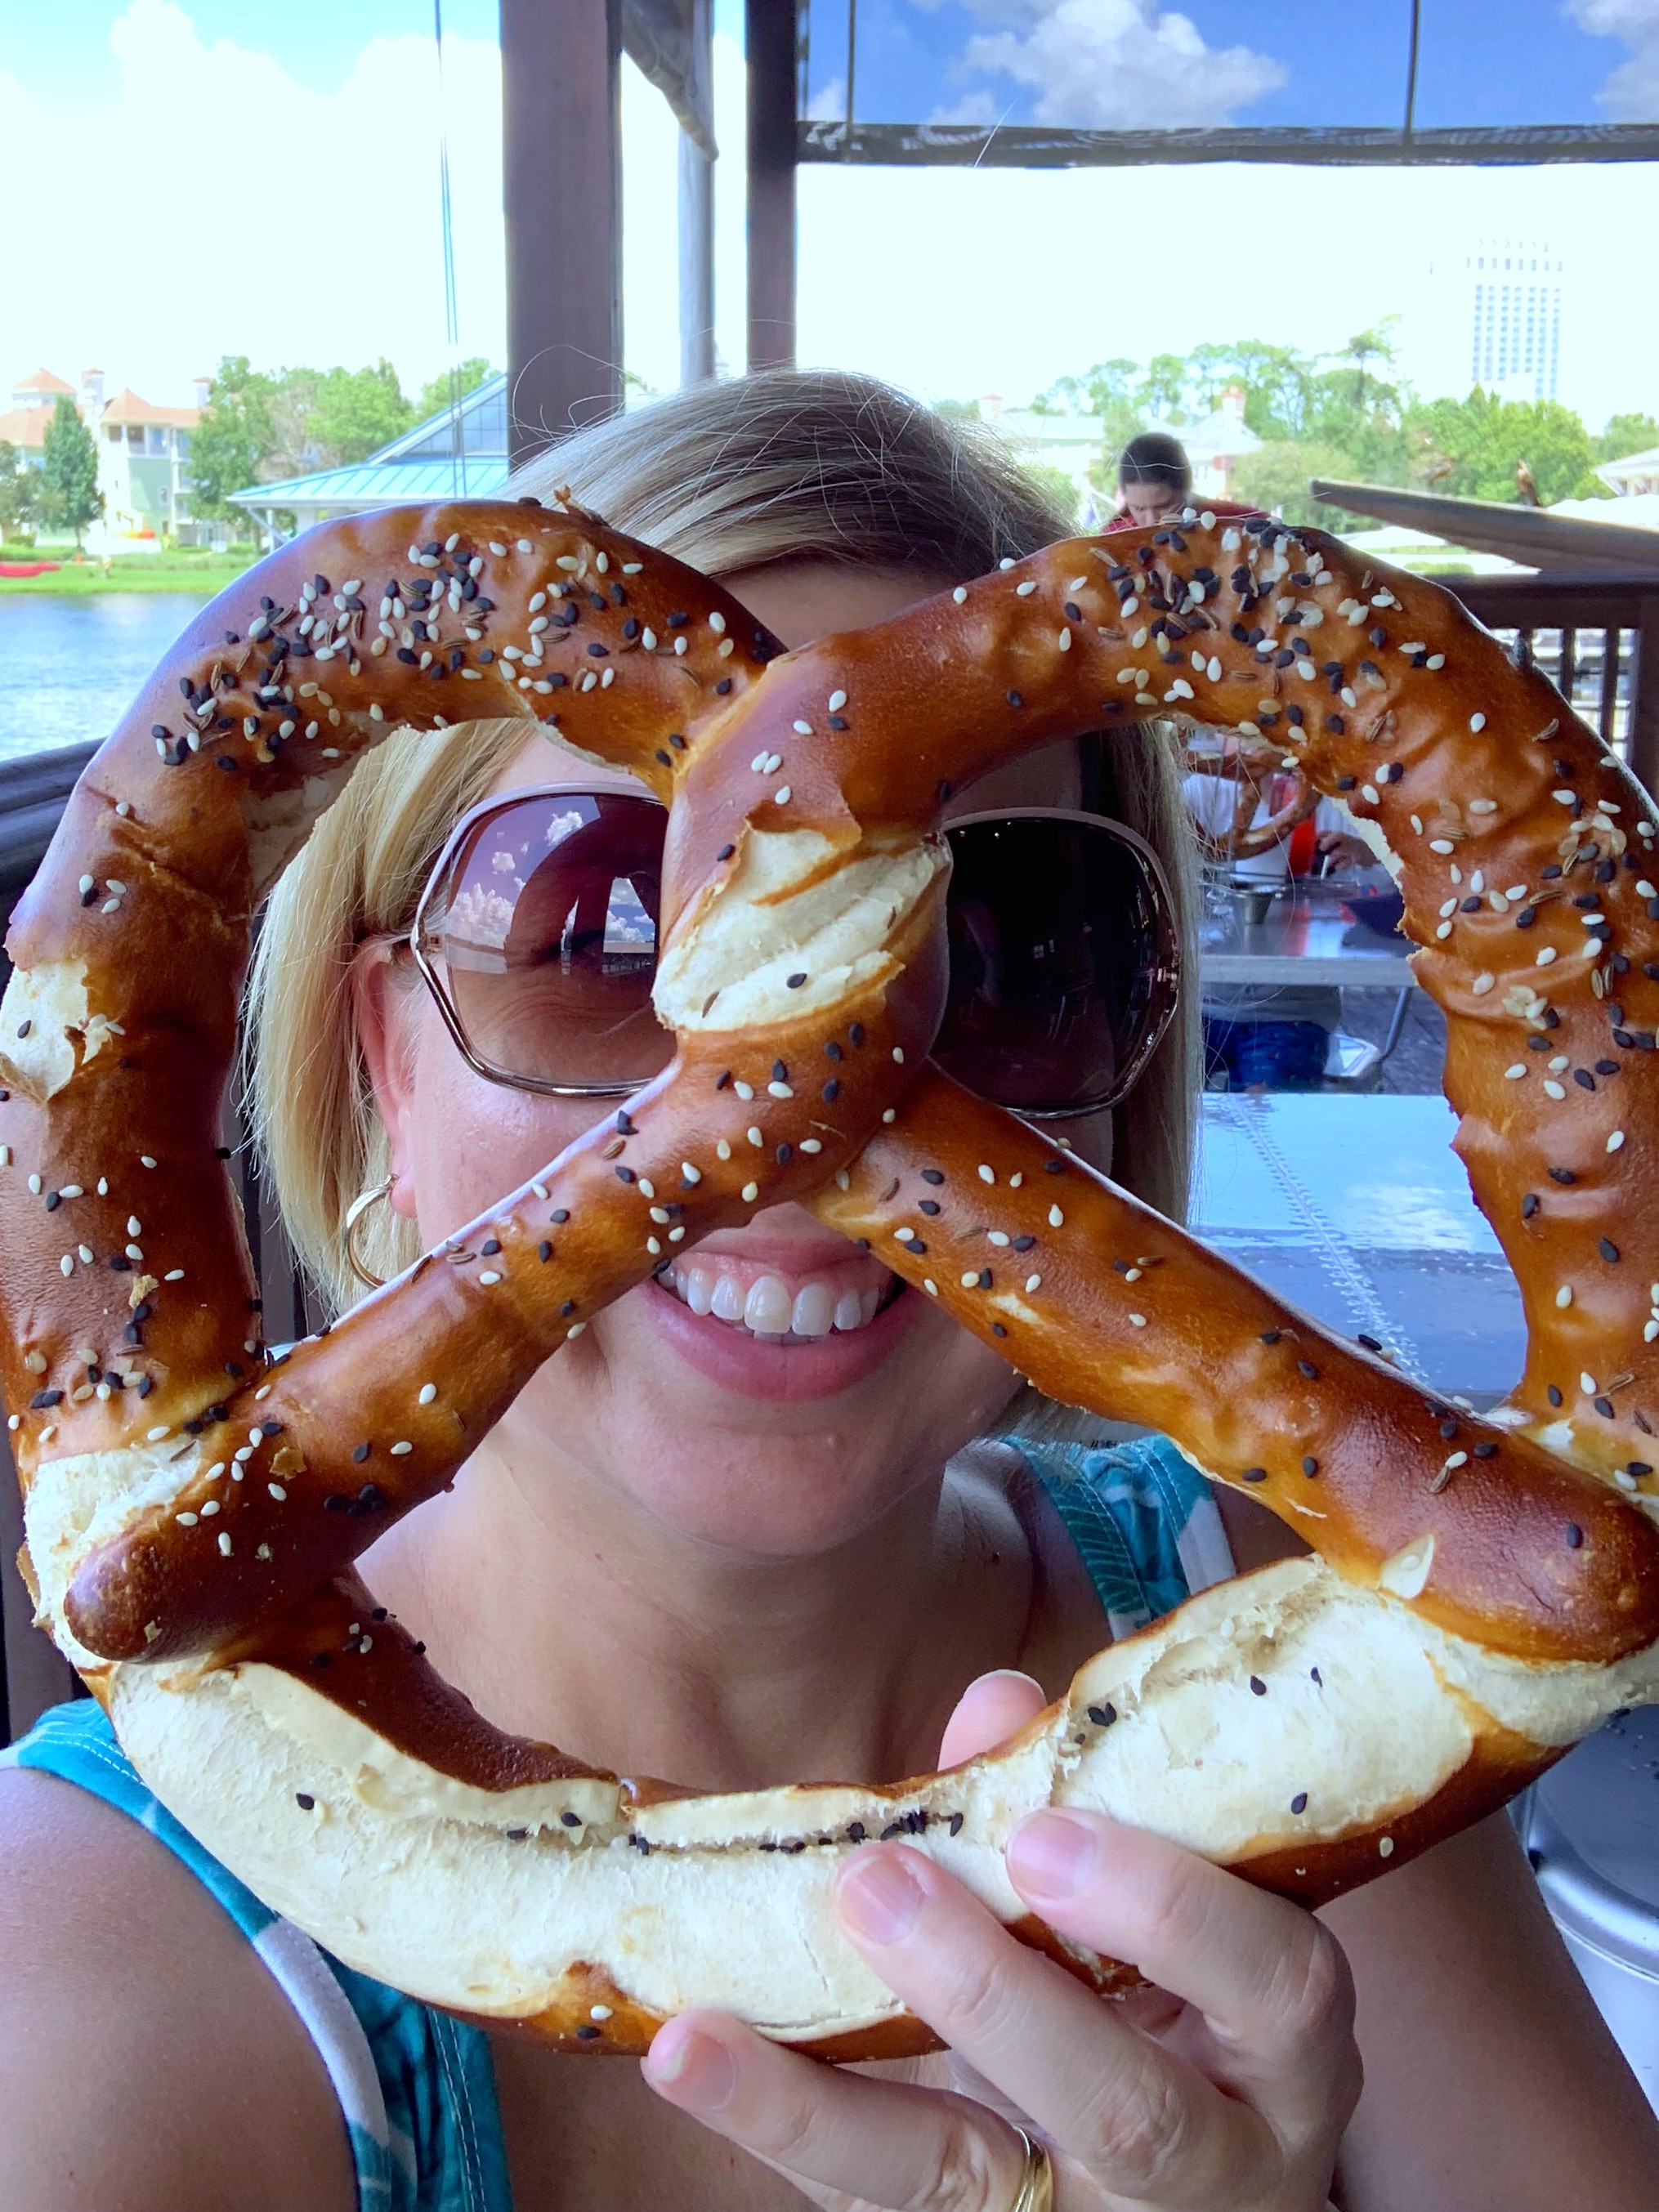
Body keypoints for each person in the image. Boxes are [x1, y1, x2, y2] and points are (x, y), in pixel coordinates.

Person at [3, 371, 1657, 2212]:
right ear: (374, 1039)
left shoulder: (1291, 1635)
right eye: (600, 928)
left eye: (1026, 944)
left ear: (1129, 1069)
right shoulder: (81, 1987)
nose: (786, 1158)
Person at [1183, 753, 1380, 1091]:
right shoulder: (1202, 791)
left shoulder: (1339, 801)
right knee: (1156, 1103)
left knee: (1268, 1114)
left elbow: (1403, 890)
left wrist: (1368, 856)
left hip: (1293, 1009)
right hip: (1199, 1002)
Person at [1107, 429, 1258, 533]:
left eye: (1163, 506)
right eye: (1139, 509)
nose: (1151, 522)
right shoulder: (1109, 541)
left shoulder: (1245, 524)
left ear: (1186, 489)